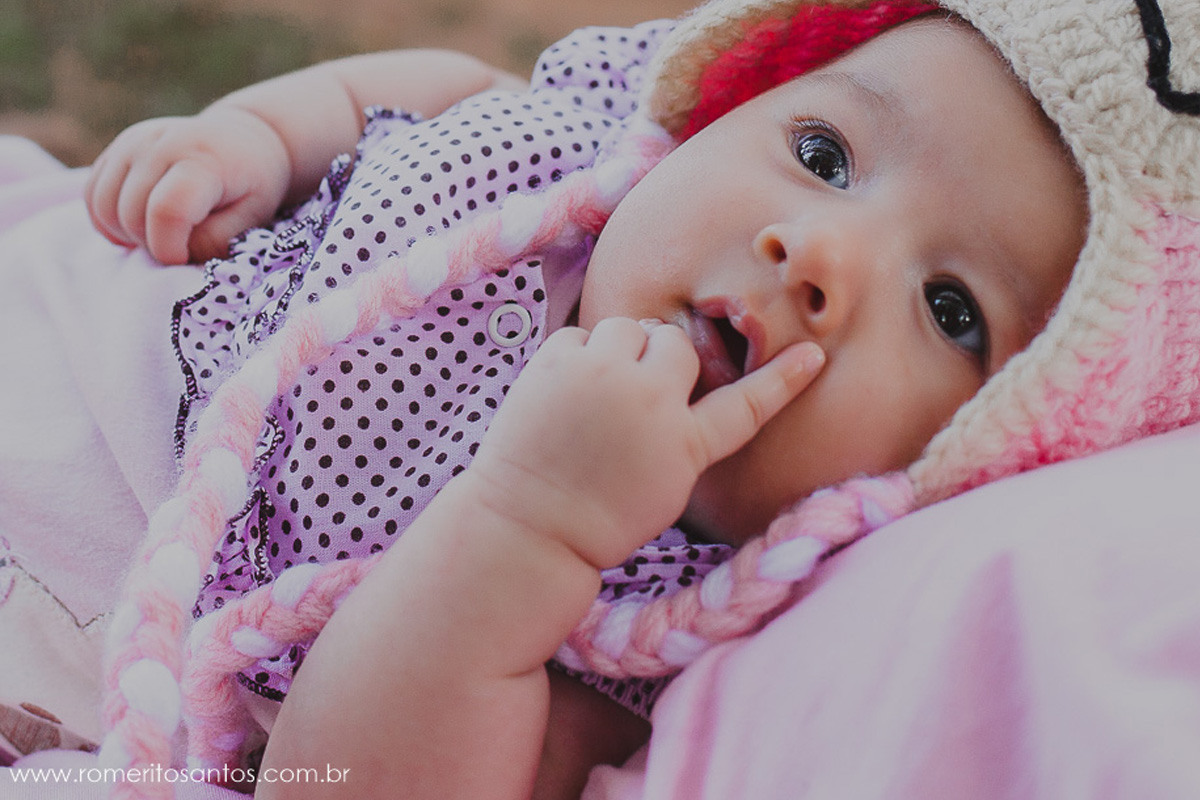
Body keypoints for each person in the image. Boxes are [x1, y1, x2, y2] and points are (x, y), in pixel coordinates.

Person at [16, 0, 1200, 798]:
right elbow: (441, 88)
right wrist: (259, 135)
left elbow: (344, 779)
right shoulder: (579, 175)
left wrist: (531, 525)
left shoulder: (648, 622)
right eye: (827, 156)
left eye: (951, 308)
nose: (819, 253)